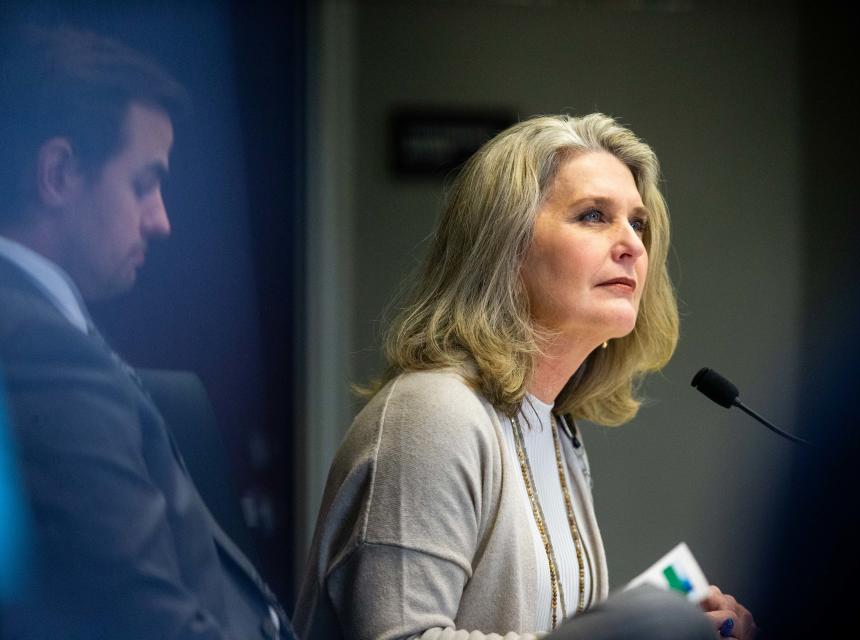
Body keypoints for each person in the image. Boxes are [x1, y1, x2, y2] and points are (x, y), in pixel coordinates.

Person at [294, 114, 756, 640]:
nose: (632, 244)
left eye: (638, 223)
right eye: (593, 216)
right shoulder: (431, 413)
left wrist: (672, 627)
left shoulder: (553, 425)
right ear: (505, 247)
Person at [0, 26, 295, 639]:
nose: (161, 220)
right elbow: (147, 623)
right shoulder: (40, 348)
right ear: (57, 173)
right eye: (143, 182)